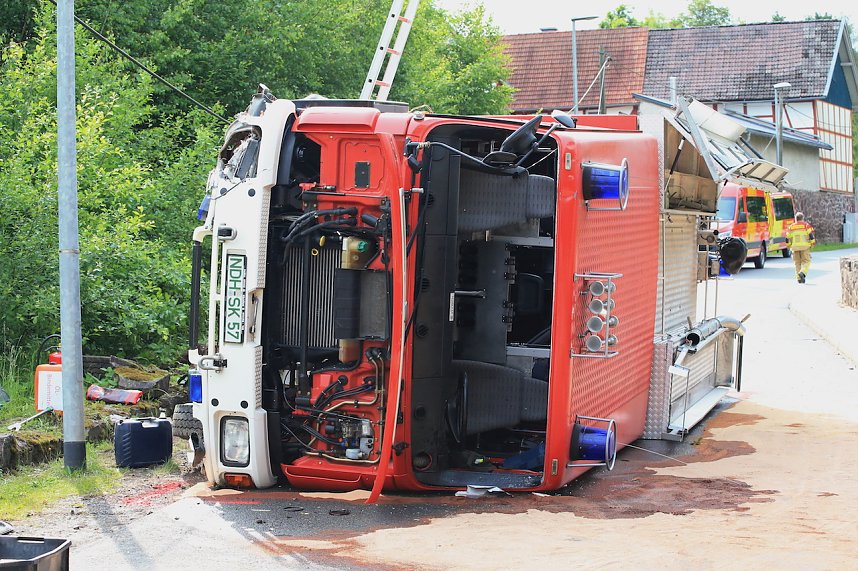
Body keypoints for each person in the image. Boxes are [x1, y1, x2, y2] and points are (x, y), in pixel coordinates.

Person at [786, 212, 816, 283]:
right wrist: (813, 244)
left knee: (797, 263)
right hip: (805, 247)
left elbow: (787, 238)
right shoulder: (806, 225)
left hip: (795, 248)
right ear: (802, 218)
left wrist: (789, 246)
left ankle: (799, 279)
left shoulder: (791, 227)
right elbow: (811, 235)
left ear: (796, 219)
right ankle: (802, 273)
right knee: (806, 261)